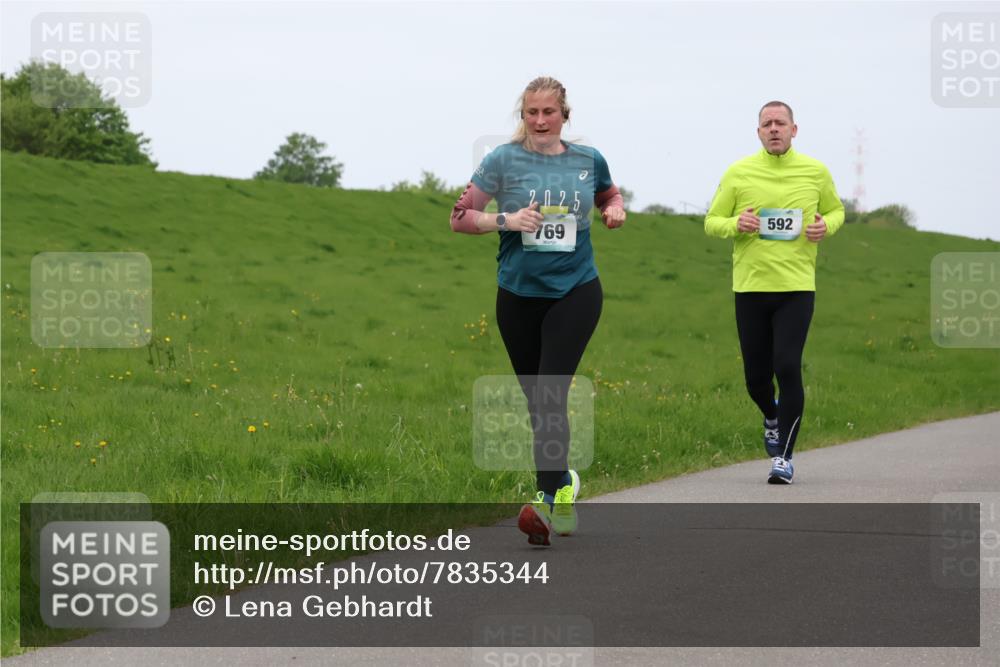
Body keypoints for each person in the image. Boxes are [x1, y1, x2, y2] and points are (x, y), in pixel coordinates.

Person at [450, 76, 625, 544]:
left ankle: (549, 504)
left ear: (564, 115)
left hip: (576, 290)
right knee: (538, 403)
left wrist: (614, 210)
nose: (541, 121)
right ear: (522, 116)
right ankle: (563, 480)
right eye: (532, 113)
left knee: (549, 393)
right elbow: (460, 216)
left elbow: (609, 193)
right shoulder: (502, 161)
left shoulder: (589, 161)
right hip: (518, 295)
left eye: (549, 112)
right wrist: (504, 219)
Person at [705, 101, 844, 484]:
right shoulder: (739, 172)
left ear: (794, 129)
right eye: (766, 124)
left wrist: (825, 227)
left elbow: (836, 211)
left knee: (787, 365)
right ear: (758, 132)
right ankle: (771, 414)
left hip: (797, 288)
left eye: (780, 123)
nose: (774, 129)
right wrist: (738, 223)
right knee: (756, 378)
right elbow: (712, 221)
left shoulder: (815, 172)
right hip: (750, 287)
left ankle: (783, 457)